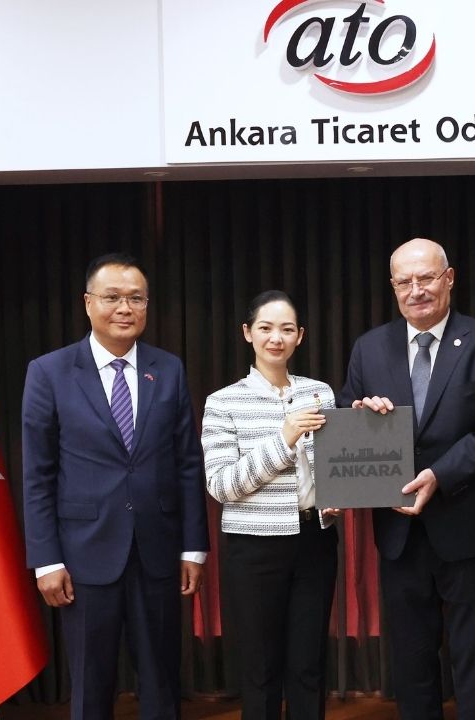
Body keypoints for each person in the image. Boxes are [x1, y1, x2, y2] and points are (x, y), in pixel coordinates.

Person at [21, 253, 210, 720]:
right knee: (91, 685)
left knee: (162, 682)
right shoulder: (49, 372)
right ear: (88, 303)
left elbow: (188, 463)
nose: (125, 308)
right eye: (112, 297)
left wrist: (194, 548)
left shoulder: (169, 369)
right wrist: (46, 560)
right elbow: (38, 475)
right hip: (83, 556)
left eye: (136, 299)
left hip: (158, 553)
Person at [340, 238, 475, 720]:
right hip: (399, 531)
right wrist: (360, 415)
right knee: (411, 660)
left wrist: (439, 474)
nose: (416, 290)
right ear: (393, 287)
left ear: (449, 278)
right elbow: (344, 415)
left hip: (471, 527)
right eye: (405, 281)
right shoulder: (369, 347)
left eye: (426, 278)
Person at [201, 290, 339, 720]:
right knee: (260, 670)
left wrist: (334, 498)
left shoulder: (320, 393)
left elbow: (331, 467)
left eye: (286, 329)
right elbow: (221, 485)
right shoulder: (223, 402)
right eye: (265, 328)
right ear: (248, 333)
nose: (275, 338)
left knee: (309, 665)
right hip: (253, 547)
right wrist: (284, 438)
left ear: (300, 336)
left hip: (315, 541)